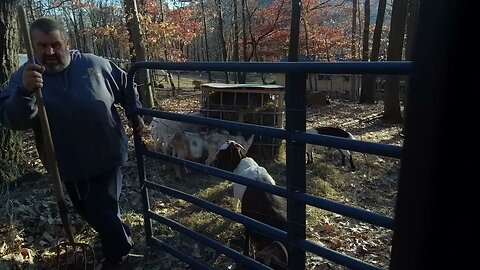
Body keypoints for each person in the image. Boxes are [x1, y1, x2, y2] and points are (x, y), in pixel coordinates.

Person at [0, 17, 144, 269]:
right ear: (33, 47)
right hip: (65, 162)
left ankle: (119, 254)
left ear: (67, 42)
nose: (50, 52)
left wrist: (137, 114)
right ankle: (117, 233)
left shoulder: (94, 64)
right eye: (42, 46)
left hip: (106, 153)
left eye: (56, 44)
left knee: (103, 208)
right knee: (87, 211)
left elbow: (127, 86)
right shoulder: (25, 77)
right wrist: (24, 93)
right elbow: (13, 120)